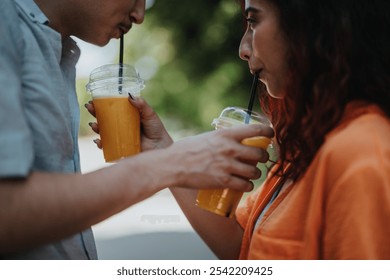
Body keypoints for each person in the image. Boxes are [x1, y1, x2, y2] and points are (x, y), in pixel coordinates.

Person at [101, 0, 390, 259]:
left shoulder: (359, 151)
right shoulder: (309, 145)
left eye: (253, 22)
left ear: (311, 24)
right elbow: (243, 245)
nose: (243, 49)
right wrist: (161, 149)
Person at [0, 0, 272, 259]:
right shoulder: (6, 26)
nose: (140, 15)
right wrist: (170, 163)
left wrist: (162, 152)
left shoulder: (53, 48)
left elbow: (244, 249)